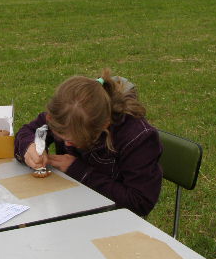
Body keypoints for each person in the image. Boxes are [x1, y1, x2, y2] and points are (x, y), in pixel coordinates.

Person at [15, 69, 163, 217]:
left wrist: (78, 171)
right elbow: (27, 131)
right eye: (62, 138)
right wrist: (29, 147)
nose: (67, 145)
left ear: (104, 125)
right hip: (70, 205)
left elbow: (139, 202)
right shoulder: (64, 116)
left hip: (111, 219)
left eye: (73, 140)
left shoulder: (136, 137)